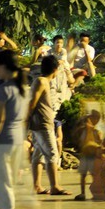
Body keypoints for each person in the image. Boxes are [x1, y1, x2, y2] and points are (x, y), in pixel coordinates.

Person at [0, 51, 42, 209]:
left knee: (3, 184)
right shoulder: (24, 89)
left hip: (3, 143)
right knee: (23, 184)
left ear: (3, 66)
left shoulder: (3, 90)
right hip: (19, 140)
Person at [28, 55, 69, 197]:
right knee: (52, 153)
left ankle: (37, 186)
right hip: (42, 123)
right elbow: (32, 102)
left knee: (38, 154)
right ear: (55, 69)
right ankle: (55, 186)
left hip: (42, 122)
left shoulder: (43, 81)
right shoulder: (41, 81)